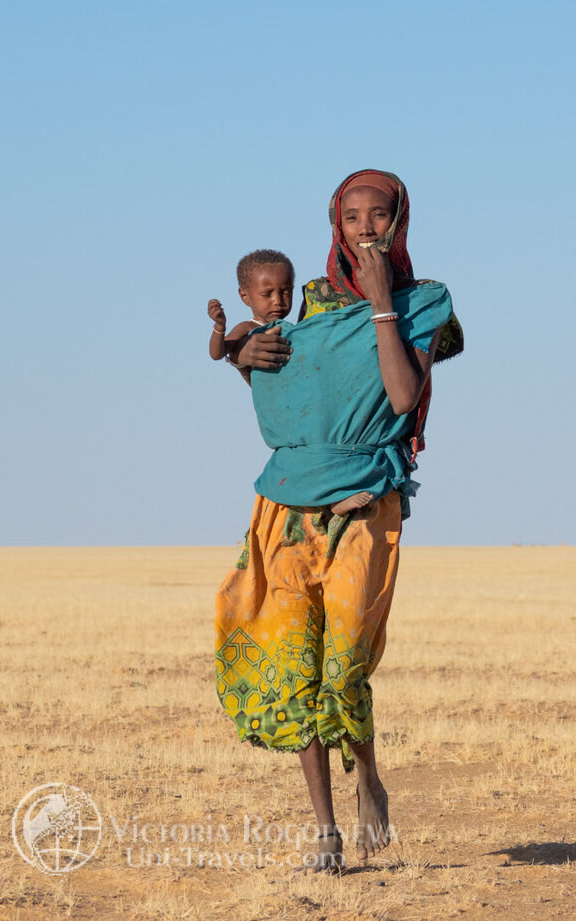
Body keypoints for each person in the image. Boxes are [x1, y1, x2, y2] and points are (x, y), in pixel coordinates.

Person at [214, 170, 463, 873]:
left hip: (364, 505)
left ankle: (371, 781)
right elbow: (292, 384)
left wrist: (384, 304)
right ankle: (324, 827)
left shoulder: (427, 302)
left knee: (342, 665)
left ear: (398, 221)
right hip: (288, 508)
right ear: (335, 223)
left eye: (377, 214)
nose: (363, 227)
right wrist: (242, 357)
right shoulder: (309, 304)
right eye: (351, 215)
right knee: (296, 667)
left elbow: (402, 392)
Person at [208, 250, 295, 361]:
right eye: (267, 294)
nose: (277, 301)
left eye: (285, 293)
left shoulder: (292, 329)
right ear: (245, 296)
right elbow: (217, 354)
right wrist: (220, 326)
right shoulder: (248, 327)